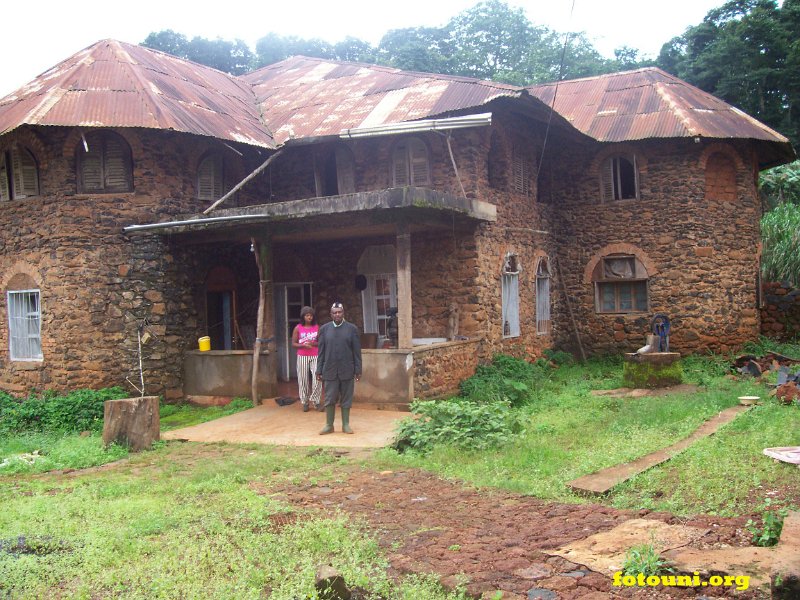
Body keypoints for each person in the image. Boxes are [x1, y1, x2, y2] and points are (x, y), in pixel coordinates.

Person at [316, 302, 362, 434]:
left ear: (343, 313)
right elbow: (321, 352)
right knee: (329, 398)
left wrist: (358, 369)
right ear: (331, 314)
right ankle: (329, 425)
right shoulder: (324, 329)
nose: (337, 314)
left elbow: (356, 351)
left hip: (347, 369)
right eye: (335, 312)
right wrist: (319, 369)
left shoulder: (352, 329)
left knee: (346, 398)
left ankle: (345, 425)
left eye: (339, 312)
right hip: (329, 370)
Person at [292, 306, 322, 412]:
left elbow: (321, 342)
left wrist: (313, 344)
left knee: (318, 378)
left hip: (315, 355)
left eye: (311, 315)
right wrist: (303, 345)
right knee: (303, 379)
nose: (309, 317)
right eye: (307, 315)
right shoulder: (298, 328)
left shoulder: (317, 327)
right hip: (302, 356)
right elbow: (293, 344)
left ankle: (316, 401)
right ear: (303, 316)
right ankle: (305, 402)